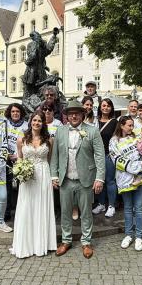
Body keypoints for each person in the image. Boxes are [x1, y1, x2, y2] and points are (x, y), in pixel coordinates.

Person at [51, 100, 106, 258]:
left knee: (86, 212)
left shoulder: (92, 131)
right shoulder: (60, 131)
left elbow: (100, 156)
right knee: (65, 212)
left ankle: (86, 241)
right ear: (66, 116)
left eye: (77, 113)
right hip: (65, 179)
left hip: (86, 178)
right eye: (70, 113)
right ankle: (66, 240)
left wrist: (100, 178)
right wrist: (54, 175)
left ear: (83, 114)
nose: (74, 115)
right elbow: (55, 155)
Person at [10, 111, 57, 258]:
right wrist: (20, 171)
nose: (37, 123)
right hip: (27, 178)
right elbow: (19, 158)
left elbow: (49, 160)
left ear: (44, 123)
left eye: (40, 121)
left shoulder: (49, 140)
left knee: (42, 207)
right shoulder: (21, 139)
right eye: (34, 120)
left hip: (43, 174)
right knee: (27, 207)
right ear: (30, 121)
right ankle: (26, 244)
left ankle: (42, 243)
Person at [109, 116, 142, 252]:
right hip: (125, 180)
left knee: (140, 208)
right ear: (121, 126)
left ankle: (139, 236)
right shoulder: (113, 141)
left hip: (140, 178)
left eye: (132, 125)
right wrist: (136, 167)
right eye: (129, 125)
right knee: (128, 208)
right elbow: (116, 160)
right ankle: (129, 235)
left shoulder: (137, 138)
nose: (131, 128)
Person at [92, 98, 119, 217]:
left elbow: (117, 139)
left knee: (110, 180)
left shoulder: (114, 122)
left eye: (108, 106)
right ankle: (101, 203)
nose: (106, 107)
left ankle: (111, 205)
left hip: (108, 155)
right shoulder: (95, 121)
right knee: (99, 180)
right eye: (103, 105)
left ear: (111, 108)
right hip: (96, 156)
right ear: (100, 107)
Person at [4, 103, 28, 222]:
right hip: (6, 159)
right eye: (13, 111)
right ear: (9, 112)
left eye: (17, 111)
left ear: (21, 112)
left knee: (21, 187)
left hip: (20, 160)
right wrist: (7, 154)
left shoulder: (26, 125)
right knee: (7, 187)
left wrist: (18, 156)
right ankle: (7, 211)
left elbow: (27, 143)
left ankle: (21, 212)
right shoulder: (4, 124)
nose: (15, 113)